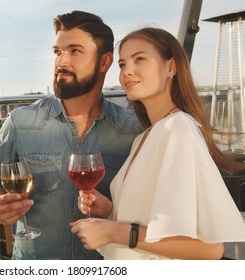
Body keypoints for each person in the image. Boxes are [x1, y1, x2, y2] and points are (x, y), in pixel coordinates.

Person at [0, 10, 143, 260]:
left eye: (75, 51)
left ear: (104, 62)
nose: (61, 62)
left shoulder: (134, 132)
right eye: (57, 52)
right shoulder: (21, 122)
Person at [70, 27, 245, 260]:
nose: (127, 72)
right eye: (122, 64)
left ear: (171, 67)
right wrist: (111, 210)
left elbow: (209, 249)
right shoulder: (146, 137)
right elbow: (154, 222)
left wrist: (114, 231)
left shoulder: (178, 128)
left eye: (139, 59)